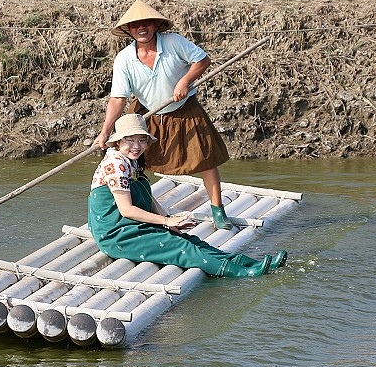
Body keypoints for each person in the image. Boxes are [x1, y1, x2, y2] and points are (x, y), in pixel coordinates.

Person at [88, 113, 286, 278]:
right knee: (180, 246)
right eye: (129, 140)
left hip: (132, 226)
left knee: (192, 240)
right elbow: (126, 209)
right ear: (117, 142)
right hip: (117, 234)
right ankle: (244, 274)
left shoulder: (131, 160)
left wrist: (169, 222)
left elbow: (147, 196)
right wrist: (165, 221)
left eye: (141, 140)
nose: (136, 146)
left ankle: (248, 263)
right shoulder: (116, 164)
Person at [95, 0, 235, 230]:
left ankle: (218, 209)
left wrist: (185, 81)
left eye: (146, 23)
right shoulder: (124, 59)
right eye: (135, 25)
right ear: (128, 30)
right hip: (148, 114)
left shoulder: (173, 42)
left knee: (205, 159)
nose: (141, 28)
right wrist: (105, 131)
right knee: (133, 159)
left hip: (184, 109)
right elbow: (118, 98)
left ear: (155, 26)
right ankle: (136, 209)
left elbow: (203, 59)